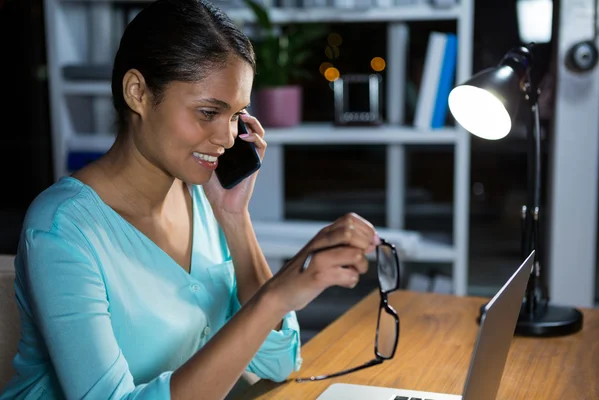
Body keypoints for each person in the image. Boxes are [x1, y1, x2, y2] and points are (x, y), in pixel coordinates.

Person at [0, 0, 380, 398]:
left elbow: (278, 362)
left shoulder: (203, 201)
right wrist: (276, 296)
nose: (228, 138)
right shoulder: (61, 229)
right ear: (138, 93)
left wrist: (234, 218)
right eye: (207, 112)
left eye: (235, 115)